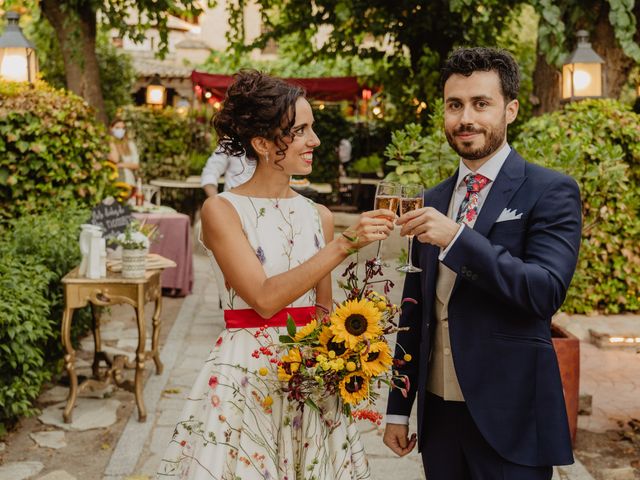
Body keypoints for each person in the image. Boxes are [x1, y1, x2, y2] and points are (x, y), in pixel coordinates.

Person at [157, 70, 396, 479]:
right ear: (263, 144)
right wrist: (344, 244)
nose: (315, 141)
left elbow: (323, 309)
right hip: (249, 374)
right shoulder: (222, 211)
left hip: (311, 376)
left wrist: (340, 357)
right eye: (300, 131)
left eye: (312, 129)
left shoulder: (316, 215)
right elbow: (264, 299)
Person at [383, 47, 582, 480]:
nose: (465, 118)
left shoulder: (550, 191)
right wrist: (398, 409)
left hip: (511, 417)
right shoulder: (433, 200)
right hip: (439, 419)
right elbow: (413, 310)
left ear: (509, 110)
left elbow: (544, 290)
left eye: (480, 103)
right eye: (455, 105)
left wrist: (457, 238)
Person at [108, 118, 139, 186]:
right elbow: (115, 159)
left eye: (123, 128)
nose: (121, 130)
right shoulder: (108, 144)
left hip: (128, 181)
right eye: (117, 128)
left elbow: (136, 165)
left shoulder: (130, 144)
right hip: (111, 180)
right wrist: (111, 142)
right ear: (111, 128)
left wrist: (121, 165)